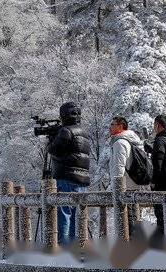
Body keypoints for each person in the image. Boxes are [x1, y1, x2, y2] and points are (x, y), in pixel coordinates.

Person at [47, 102, 91, 245]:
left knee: (64, 214)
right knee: (76, 215)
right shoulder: (84, 132)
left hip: (67, 177)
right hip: (82, 179)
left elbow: (54, 150)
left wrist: (51, 139)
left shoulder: (66, 131)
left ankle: (65, 248)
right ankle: (76, 247)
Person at [143, 114, 166, 233]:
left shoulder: (160, 140)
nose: (154, 128)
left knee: (162, 216)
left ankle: (165, 246)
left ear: (158, 125)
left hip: (162, 185)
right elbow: (165, 156)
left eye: (154, 125)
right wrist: (151, 149)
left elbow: (158, 165)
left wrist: (153, 182)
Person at [109, 116, 145, 234]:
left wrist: (116, 187)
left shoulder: (120, 142)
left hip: (125, 187)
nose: (110, 127)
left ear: (120, 126)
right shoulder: (131, 140)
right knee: (134, 218)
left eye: (113, 124)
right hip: (133, 184)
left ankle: (128, 248)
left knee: (127, 221)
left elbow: (119, 166)